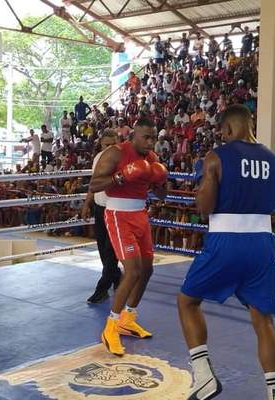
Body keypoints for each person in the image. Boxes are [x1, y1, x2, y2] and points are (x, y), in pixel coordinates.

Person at [177, 105, 275, 400]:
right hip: (262, 244)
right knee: (263, 320)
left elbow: (204, 207)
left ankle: (203, 377)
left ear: (226, 129)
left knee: (187, 301)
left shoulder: (216, 157)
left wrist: (203, 181)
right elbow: (268, 203)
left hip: (226, 241)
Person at [89, 117, 168, 356]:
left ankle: (128, 318)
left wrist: (160, 179)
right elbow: (94, 185)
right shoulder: (115, 153)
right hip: (118, 214)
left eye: (154, 138)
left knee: (147, 270)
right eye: (147, 137)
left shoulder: (151, 159)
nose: (151, 142)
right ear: (133, 135)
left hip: (140, 214)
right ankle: (110, 328)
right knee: (132, 271)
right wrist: (121, 177)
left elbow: (161, 195)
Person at [81, 130, 121, 304]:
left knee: (111, 251)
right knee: (102, 249)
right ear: (101, 144)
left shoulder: (122, 159)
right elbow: (93, 183)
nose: (109, 148)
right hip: (99, 207)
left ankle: (101, 289)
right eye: (106, 145)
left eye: (113, 144)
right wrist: (86, 204)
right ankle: (117, 276)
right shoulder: (98, 158)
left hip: (115, 209)